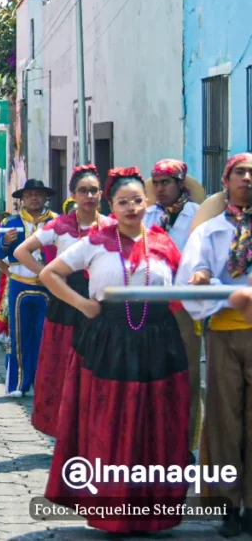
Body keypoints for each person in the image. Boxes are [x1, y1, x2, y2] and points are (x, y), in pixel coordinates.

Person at [40, 167, 188, 534]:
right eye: (123, 202)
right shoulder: (94, 241)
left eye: (138, 200)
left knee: (155, 422)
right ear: (112, 204)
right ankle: (111, 511)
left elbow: (183, 284)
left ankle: (153, 510)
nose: (131, 207)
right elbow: (49, 274)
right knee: (109, 421)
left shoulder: (163, 242)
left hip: (158, 342)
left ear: (147, 202)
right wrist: (82, 304)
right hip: (108, 341)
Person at [176, 152, 252, 537]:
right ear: (227, 181)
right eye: (241, 172)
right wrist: (209, 280)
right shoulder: (210, 231)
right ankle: (227, 506)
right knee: (224, 418)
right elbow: (190, 276)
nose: (248, 179)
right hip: (225, 333)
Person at [13, 165, 104, 437]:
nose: (88, 196)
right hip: (66, 300)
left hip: (100, 300)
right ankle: (65, 427)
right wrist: (46, 275)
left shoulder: (111, 225)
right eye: (83, 191)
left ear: (101, 194)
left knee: (98, 365)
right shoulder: (61, 225)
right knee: (64, 365)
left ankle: (97, 425)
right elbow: (21, 251)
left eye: (93, 191)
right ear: (73, 195)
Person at [145, 158, 203, 452]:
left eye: (166, 182)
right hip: (151, 306)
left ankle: (187, 445)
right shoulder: (146, 215)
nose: (160, 189)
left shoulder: (197, 216)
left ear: (180, 184)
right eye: (155, 183)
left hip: (184, 305)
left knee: (189, 375)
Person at [0, 179, 57, 397]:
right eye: (29, 195)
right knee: (18, 335)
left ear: (46, 197)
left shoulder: (56, 222)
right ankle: (18, 383)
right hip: (20, 283)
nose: (34, 198)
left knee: (46, 335)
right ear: (23, 199)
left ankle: (44, 384)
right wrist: (5, 242)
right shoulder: (11, 222)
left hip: (48, 285)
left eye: (38, 194)